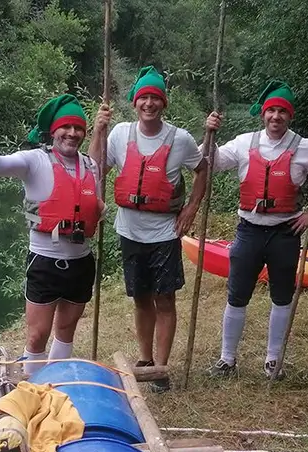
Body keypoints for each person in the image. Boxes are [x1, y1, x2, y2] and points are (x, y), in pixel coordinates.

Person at [0, 94, 105, 377]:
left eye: (79, 128)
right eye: (66, 127)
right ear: (54, 131)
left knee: (66, 330)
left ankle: (55, 384)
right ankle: (33, 386)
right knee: (36, 335)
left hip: (82, 261)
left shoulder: (90, 165)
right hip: (45, 262)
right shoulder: (35, 161)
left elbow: (95, 205)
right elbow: (0, 163)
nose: (72, 133)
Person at [89, 66, 209, 392]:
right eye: (144, 97)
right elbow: (95, 167)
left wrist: (191, 209)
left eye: (155, 97)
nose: (149, 103)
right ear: (134, 102)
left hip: (164, 234)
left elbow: (202, 170)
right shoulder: (120, 134)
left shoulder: (180, 139)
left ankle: (160, 367)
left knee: (165, 299)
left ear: (164, 103)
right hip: (129, 230)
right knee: (141, 299)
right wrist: (98, 132)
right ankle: (144, 359)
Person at [200, 80, 308, 379]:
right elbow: (208, 161)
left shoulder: (306, 147)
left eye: (282, 111)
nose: (276, 116)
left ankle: (273, 360)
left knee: (282, 296)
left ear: (289, 116)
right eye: (271, 111)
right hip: (249, 231)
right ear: (263, 114)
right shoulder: (244, 142)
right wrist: (209, 132)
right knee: (237, 295)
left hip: (284, 233)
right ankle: (227, 359)